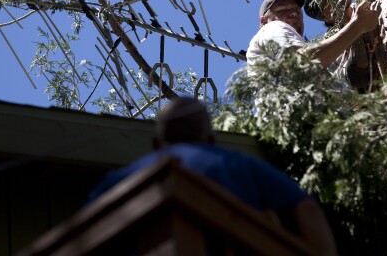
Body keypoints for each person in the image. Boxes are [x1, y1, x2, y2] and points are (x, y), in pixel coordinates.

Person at [90, 97, 337, 256]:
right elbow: (307, 208)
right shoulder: (237, 164)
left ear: (156, 144)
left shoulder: (119, 180)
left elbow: (87, 234)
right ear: (210, 140)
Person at [246, 0, 379, 72]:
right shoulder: (271, 28)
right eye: (283, 10)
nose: (293, 14)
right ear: (264, 21)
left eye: (298, 12)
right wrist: (358, 26)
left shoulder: (327, 53)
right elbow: (301, 62)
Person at [303, 0, 386, 92]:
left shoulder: (365, 3)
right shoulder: (332, 41)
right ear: (325, 17)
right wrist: (356, 30)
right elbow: (353, 77)